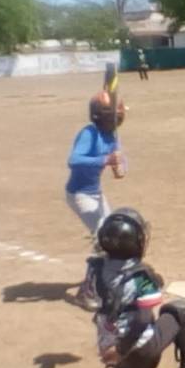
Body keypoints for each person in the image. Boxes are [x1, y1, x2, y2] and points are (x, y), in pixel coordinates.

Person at [90, 208, 185, 368]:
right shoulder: (141, 278)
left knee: (146, 333)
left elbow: (88, 298)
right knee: (181, 312)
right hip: (129, 343)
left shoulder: (95, 269)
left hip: (106, 342)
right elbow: (140, 322)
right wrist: (122, 349)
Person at [65, 90, 126, 307]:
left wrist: (119, 166)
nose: (120, 115)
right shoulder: (89, 134)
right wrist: (104, 160)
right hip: (79, 194)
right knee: (102, 238)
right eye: (116, 111)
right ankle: (86, 293)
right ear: (103, 115)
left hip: (97, 194)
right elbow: (73, 160)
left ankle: (106, 281)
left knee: (112, 236)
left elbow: (119, 164)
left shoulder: (113, 135)